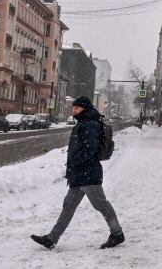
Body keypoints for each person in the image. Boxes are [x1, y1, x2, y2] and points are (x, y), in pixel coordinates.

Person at [30, 96, 124, 250]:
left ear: (84, 109)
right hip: (80, 174)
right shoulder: (84, 123)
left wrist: (75, 163)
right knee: (68, 206)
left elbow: (90, 149)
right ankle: (51, 239)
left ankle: (117, 233)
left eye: (77, 108)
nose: (74, 111)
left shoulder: (90, 124)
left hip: (88, 174)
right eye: (73, 108)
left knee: (101, 205)